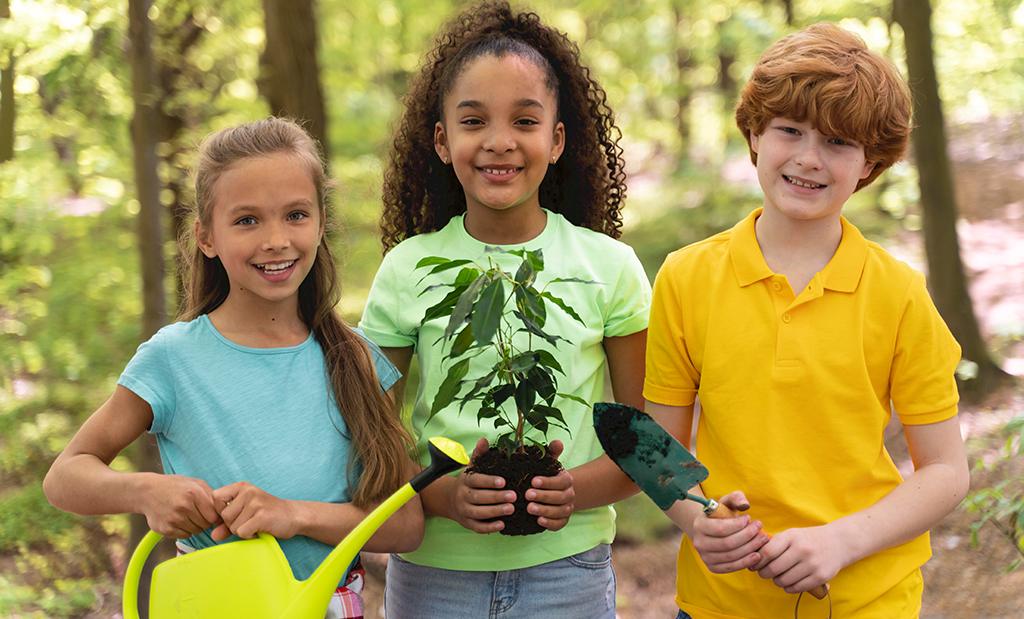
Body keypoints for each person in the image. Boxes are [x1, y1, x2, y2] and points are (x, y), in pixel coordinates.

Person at [644, 23, 970, 618]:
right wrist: (696, 518)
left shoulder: (899, 294)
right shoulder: (686, 277)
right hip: (722, 602)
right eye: (790, 131)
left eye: (839, 143)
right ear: (753, 134)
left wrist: (843, 540)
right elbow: (657, 445)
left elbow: (946, 470)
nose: (808, 159)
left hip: (868, 599)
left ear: (870, 162)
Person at [43, 117, 422, 619]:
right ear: (206, 237)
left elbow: (405, 524)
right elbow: (65, 476)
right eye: (247, 221)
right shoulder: (172, 360)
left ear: (319, 222)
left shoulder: (355, 358)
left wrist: (293, 515)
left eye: (295, 215)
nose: (276, 240)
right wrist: (146, 490)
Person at [359, 2, 651, 617]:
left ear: (557, 139)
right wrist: (441, 497)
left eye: (525, 120)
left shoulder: (610, 268)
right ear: (442, 140)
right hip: (434, 573)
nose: (499, 142)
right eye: (473, 121)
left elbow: (641, 438)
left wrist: (572, 491)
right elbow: (372, 437)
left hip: (567, 573)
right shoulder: (408, 269)